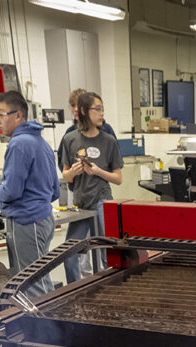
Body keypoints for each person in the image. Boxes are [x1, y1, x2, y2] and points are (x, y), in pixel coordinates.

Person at [0, 91, 59, 298]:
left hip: (26, 222)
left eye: (1, 114)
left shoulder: (18, 144)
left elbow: (11, 191)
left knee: (30, 283)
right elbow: (55, 191)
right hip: (43, 219)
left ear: (17, 115)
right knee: (41, 278)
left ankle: (46, 328)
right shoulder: (41, 143)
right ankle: (53, 325)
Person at [58, 92, 122, 284]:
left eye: (103, 109)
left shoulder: (109, 141)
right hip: (81, 204)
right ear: (85, 111)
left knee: (107, 255)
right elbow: (65, 175)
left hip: (102, 200)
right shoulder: (70, 139)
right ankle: (74, 292)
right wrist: (74, 172)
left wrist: (98, 172)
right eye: (98, 109)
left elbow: (118, 179)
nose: (102, 113)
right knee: (69, 255)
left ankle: (113, 290)